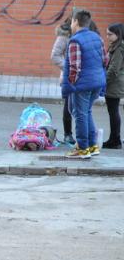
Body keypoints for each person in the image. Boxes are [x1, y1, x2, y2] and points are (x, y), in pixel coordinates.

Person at [62, 8, 106, 158]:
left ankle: (82, 148)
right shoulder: (97, 37)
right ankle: (92, 146)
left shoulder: (75, 40)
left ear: (75, 21)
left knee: (80, 114)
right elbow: (104, 60)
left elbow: (75, 67)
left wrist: (72, 85)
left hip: (83, 84)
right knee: (86, 112)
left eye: (72, 21)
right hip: (97, 82)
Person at [51, 19, 75, 145]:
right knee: (68, 106)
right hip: (69, 78)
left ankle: (84, 136)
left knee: (82, 108)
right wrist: (69, 69)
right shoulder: (64, 36)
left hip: (84, 78)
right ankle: (68, 134)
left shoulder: (80, 35)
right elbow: (55, 56)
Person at [103, 23, 124, 149]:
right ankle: (114, 139)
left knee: (113, 111)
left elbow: (113, 69)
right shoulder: (116, 46)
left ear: (118, 34)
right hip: (114, 83)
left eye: (110, 34)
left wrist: (103, 81)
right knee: (113, 111)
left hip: (114, 84)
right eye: (107, 34)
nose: (107, 36)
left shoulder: (119, 48)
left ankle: (115, 140)